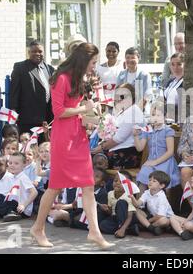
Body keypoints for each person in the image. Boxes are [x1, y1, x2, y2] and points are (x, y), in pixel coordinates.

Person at [30, 43, 114, 250]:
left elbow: (79, 113)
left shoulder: (80, 79)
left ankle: (94, 232)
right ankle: (38, 228)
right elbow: (59, 112)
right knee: (55, 187)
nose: (94, 66)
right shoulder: (61, 78)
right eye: (93, 62)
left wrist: (96, 119)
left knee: (88, 185)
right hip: (63, 139)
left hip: (78, 136)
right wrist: (83, 109)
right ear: (83, 60)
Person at [90, 84, 144, 169]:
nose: (118, 98)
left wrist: (101, 147)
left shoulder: (133, 112)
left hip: (126, 153)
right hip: (115, 149)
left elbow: (119, 138)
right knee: (85, 155)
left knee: (90, 159)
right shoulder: (124, 111)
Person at [134, 101, 180, 193]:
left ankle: (164, 204)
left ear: (165, 117)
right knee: (143, 175)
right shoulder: (147, 131)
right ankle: (141, 203)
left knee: (161, 178)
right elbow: (140, 148)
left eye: (159, 115)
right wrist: (135, 136)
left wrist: (155, 162)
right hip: (151, 161)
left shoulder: (167, 130)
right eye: (153, 115)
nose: (155, 118)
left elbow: (170, 151)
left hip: (165, 162)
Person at [10, 40, 54, 135]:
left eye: (40, 51)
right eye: (34, 51)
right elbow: (14, 91)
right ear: (29, 52)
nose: (37, 54)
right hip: (28, 118)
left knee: (45, 147)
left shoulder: (49, 69)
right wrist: (13, 109)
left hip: (47, 119)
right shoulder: (20, 67)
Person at [129, 171, 174, 236]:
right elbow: (137, 204)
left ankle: (145, 226)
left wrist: (149, 220)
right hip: (153, 216)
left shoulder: (162, 197)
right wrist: (132, 197)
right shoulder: (147, 192)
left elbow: (160, 215)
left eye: (154, 181)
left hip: (164, 217)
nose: (150, 182)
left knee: (164, 221)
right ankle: (152, 228)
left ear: (161, 186)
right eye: (150, 180)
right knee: (136, 210)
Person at [99, 171, 139, 238]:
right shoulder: (110, 193)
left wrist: (122, 228)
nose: (117, 183)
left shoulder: (129, 196)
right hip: (116, 218)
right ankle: (129, 229)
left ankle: (123, 229)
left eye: (121, 182)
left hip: (127, 218)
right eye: (115, 180)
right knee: (102, 225)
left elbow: (130, 216)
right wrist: (107, 209)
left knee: (121, 202)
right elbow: (111, 212)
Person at [96, 42, 124, 106]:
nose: (111, 53)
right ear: (105, 51)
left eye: (114, 51)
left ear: (118, 52)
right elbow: (98, 86)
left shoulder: (122, 66)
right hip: (104, 101)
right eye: (109, 51)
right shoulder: (99, 68)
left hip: (119, 100)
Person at [163, 53, 184, 121]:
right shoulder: (171, 82)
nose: (175, 67)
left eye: (179, 64)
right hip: (168, 119)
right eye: (173, 64)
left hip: (178, 120)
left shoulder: (186, 83)